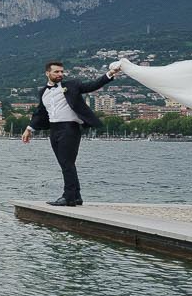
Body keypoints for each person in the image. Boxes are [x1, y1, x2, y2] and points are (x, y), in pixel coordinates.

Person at [20, 58, 120, 206]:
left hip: (70, 128)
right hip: (54, 129)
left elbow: (92, 85)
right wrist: (29, 129)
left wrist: (109, 74)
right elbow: (40, 113)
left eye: (62, 71)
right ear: (47, 73)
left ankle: (68, 197)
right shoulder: (43, 92)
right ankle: (76, 196)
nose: (60, 74)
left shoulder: (72, 85)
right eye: (56, 71)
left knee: (67, 163)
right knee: (65, 163)